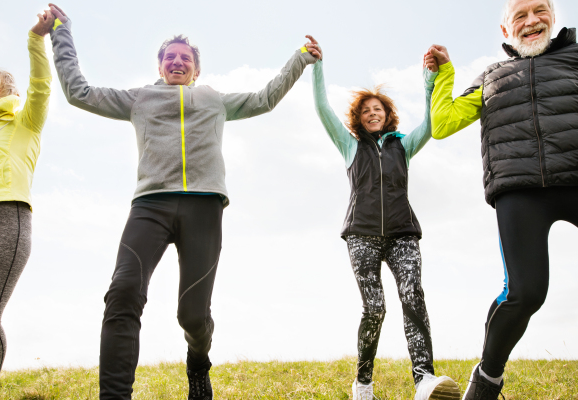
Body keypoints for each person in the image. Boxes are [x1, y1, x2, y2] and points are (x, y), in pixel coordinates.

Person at [46, 4, 320, 399]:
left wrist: (299, 59)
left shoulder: (214, 99)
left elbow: (265, 98)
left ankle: (197, 361)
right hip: (150, 206)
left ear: (196, 70)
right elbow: (79, 92)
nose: (177, 62)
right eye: (170, 57)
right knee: (123, 293)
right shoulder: (138, 98)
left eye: (185, 58)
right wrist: (61, 31)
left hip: (203, 209)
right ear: (160, 66)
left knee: (192, 315)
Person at [428, 0, 578, 399]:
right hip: (519, 188)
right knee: (525, 292)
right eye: (520, 16)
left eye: (539, 11)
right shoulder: (490, 78)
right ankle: (487, 380)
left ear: (553, 16)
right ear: (505, 30)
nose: (532, 21)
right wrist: (443, 75)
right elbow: (442, 124)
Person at [308, 35, 460, 400]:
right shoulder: (349, 145)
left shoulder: (403, 145)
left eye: (378, 109)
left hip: (402, 233)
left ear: (387, 114)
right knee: (375, 308)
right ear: (359, 119)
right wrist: (317, 67)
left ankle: (424, 379)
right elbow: (322, 109)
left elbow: (430, 120)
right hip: (361, 235)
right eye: (366, 110)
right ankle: (363, 383)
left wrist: (430, 80)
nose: (372, 113)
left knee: (413, 297)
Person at [0, 10, 55, 400]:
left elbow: (41, 86)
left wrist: (35, 41)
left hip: (3, 219)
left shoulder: (25, 122)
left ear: (10, 93)